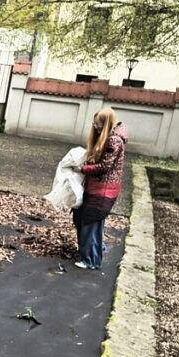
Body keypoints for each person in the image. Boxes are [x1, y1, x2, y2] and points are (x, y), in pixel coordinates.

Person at [73, 108, 128, 270]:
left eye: (98, 126)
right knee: (83, 218)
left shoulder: (114, 141)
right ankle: (95, 249)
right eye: (94, 125)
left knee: (91, 222)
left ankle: (91, 260)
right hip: (97, 188)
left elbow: (105, 166)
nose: (95, 128)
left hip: (104, 191)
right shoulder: (107, 139)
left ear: (106, 125)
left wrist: (83, 169)